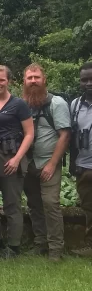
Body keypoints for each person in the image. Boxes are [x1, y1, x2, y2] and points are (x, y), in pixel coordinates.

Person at [0, 65, 34, 259]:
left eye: (1, 80)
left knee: (12, 205)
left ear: (9, 81)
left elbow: (29, 134)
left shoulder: (19, 104)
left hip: (10, 156)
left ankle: (13, 247)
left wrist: (17, 158)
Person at [22, 63, 70, 261]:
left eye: (37, 78)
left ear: (44, 79)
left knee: (50, 203)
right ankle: (40, 242)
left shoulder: (57, 103)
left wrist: (52, 164)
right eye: (29, 78)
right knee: (34, 204)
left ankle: (56, 249)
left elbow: (65, 135)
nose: (33, 81)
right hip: (29, 163)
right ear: (24, 82)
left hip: (48, 163)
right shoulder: (22, 104)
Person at [70, 61, 92, 257]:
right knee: (88, 208)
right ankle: (90, 246)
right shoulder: (75, 105)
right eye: (84, 80)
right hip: (83, 166)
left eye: (91, 79)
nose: (88, 83)